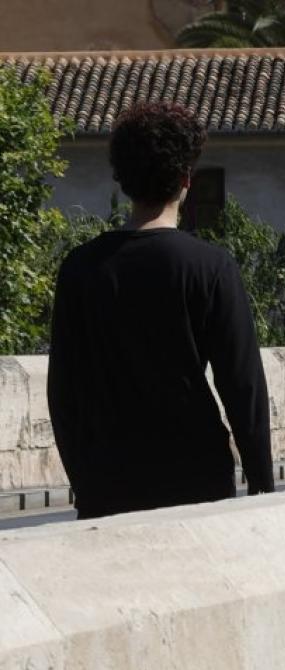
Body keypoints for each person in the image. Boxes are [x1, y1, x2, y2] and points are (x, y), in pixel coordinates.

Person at [47, 102, 273, 520]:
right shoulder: (211, 267)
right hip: (195, 474)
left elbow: (63, 391)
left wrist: (83, 476)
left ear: (123, 180)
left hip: (108, 480)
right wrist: (261, 479)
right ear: (186, 179)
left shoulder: (80, 268)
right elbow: (242, 385)